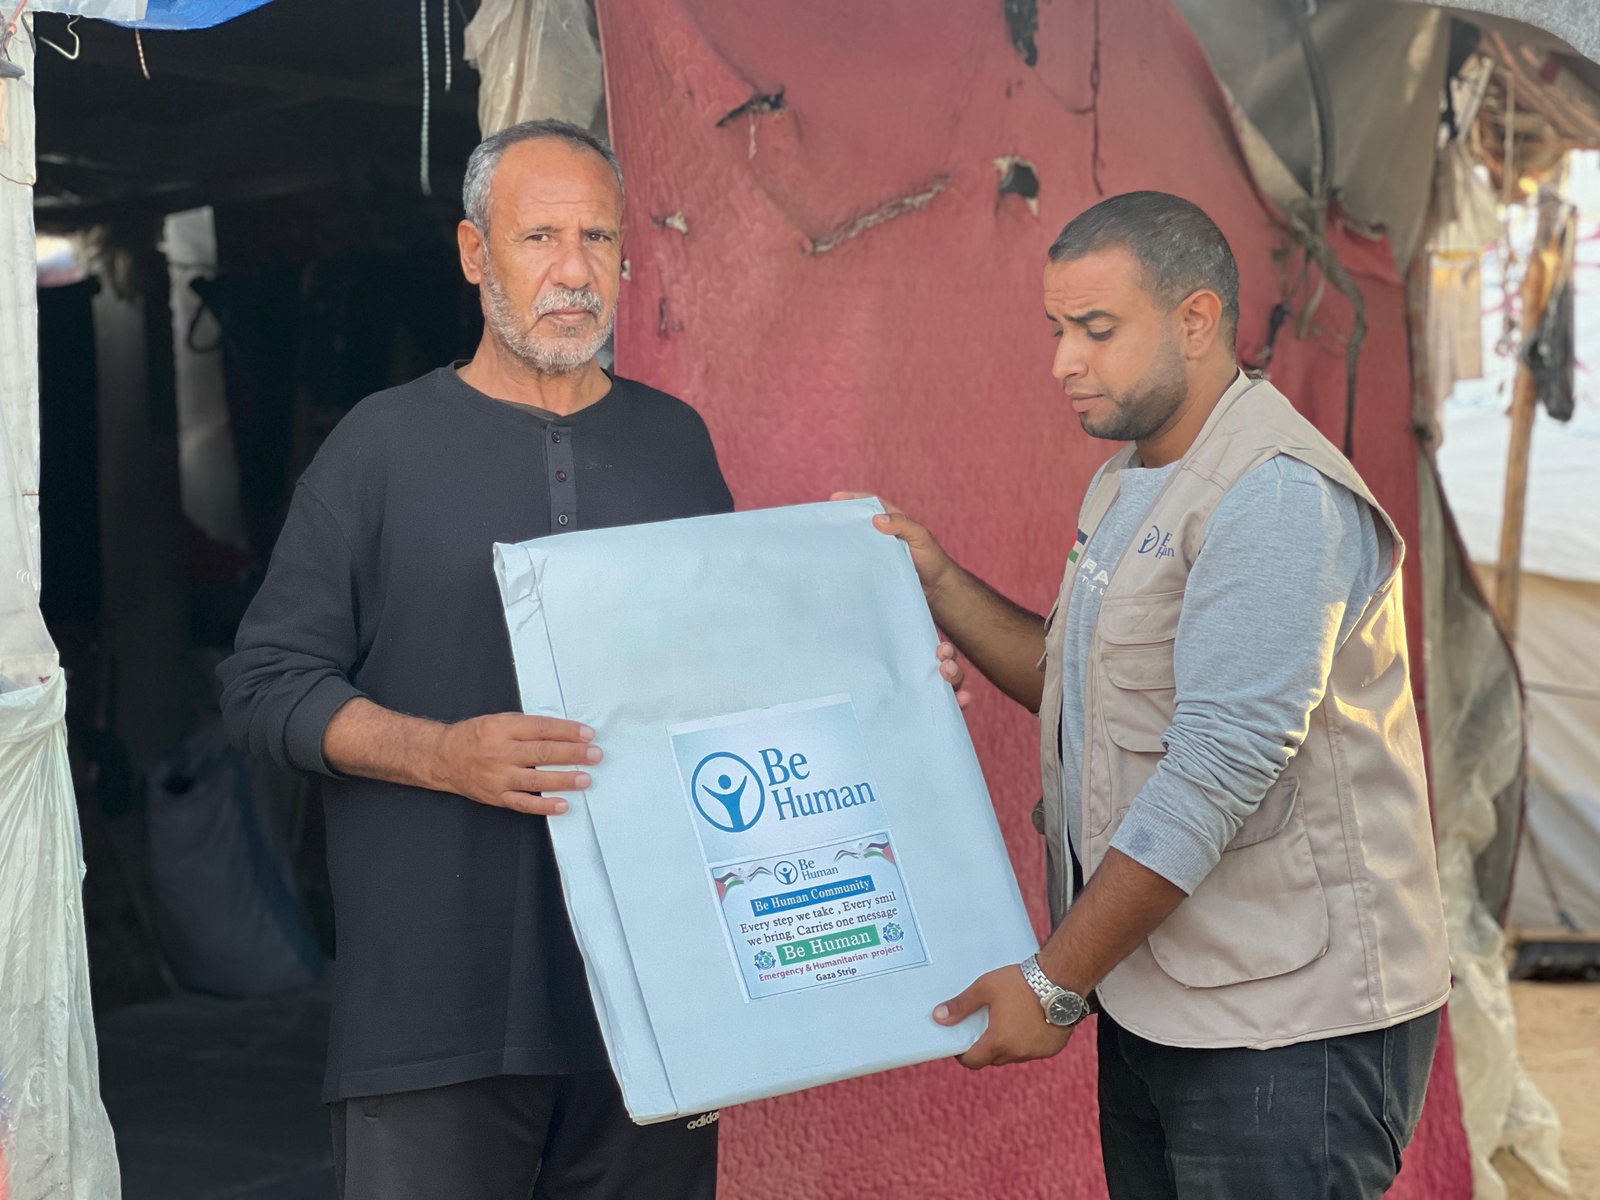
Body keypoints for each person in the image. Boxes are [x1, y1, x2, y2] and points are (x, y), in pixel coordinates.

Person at [848, 191, 1451, 1198]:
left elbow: (1213, 771)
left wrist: (1051, 982)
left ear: (1196, 320)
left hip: (1287, 1028)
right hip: (1162, 994)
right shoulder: (1136, 481)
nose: (1062, 363)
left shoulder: (1273, 495)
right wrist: (939, 581)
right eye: (1055, 331)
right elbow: (1076, 685)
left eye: (1095, 331)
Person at [218, 119, 737, 1200]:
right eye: (538, 235)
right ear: (472, 254)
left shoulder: (675, 445)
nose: (572, 271)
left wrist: (887, 686)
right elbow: (265, 686)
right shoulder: (379, 447)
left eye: (597, 238)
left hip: (653, 1005)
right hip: (430, 1018)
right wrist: (442, 754)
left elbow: (733, 681)